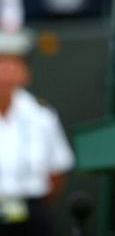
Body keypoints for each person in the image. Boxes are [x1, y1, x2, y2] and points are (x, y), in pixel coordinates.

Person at [0, 30, 75, 236]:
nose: (5, 73)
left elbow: (57, 170)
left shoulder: (41, 115)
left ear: (25, 73)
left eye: (13, 65)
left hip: (32, 213)